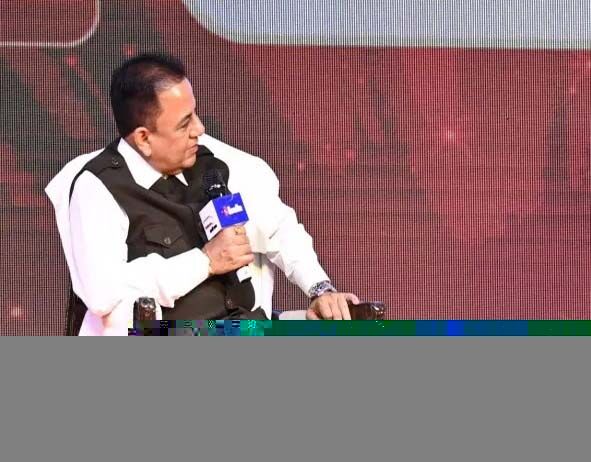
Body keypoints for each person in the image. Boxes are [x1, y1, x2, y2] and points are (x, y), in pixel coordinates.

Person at [48, 53, 361, 335]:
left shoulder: (214, 164)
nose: (199, 129)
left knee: (367, 332)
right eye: (184, 123)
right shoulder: (99, 188)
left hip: (246, 329)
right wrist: (205, 261)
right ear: (143, 138)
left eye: (195, 114)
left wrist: (320, 289)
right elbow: (103, 291)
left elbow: (279, 227)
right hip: (173, 335)